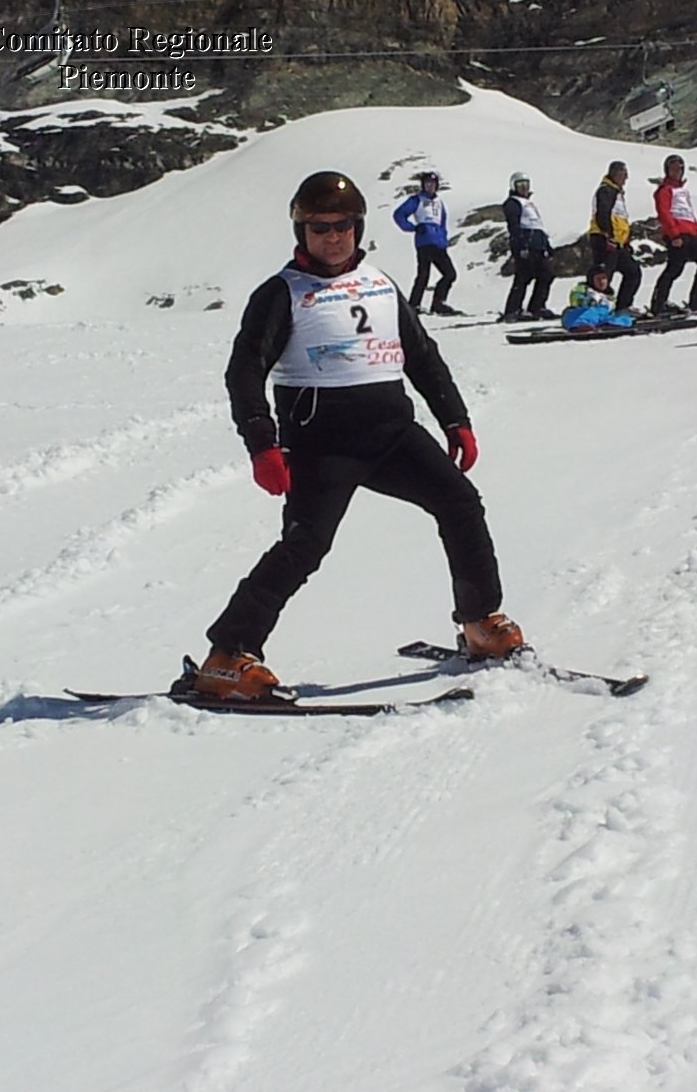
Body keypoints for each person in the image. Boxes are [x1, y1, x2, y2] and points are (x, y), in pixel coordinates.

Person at [192, 171, 523, 701]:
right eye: (319, 227)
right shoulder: (282, 293)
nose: (333, 236)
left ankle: (480, 624)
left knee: (460, 503)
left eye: (343, 225)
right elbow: (245, 371)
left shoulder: (378, 282)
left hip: (392, 434)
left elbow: (420, 354)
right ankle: (227, 656)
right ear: (301, 231)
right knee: (305, 546)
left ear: (358, 227)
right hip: (323, 445)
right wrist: (262, 444)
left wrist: (454, 419)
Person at [650, 154, 697, 314]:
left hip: (690, 234)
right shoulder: (664, 190)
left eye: (680, 169)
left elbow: (688, 213)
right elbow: (664, 213)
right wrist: (674, 235)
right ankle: (658, 303)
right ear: (667, 171)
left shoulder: (682, 190)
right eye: (673, 169)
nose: (677, 172)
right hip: (677, 235)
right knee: (675, 268)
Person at [392, 171, 457, 316]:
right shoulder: (417, 200)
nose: (430, 187)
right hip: (424, 242)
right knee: (423, 275)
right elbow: (399, 214)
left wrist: (444, 240)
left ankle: (438, 303)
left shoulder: (439, 203)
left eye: (432, 184)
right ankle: (414, 305)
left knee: (450, 274)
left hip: (438, 243)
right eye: (427, 184)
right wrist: (413, 227)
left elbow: (442, 223)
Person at [501, 172, 556, 322]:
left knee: (546, 275)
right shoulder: (513, 202)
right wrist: (521, 245)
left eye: (526, 184)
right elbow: (514, 225)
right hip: (525, 244)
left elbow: (537, 224)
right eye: (520, 184)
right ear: (514, 186)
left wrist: (546, 245)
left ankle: (537, 306)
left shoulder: (529, 203)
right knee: (523, 277)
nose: (524, 187)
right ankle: (512, 310)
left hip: (538, 244)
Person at [587, 161, 641, 313]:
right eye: (624, 174)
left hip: (618, 242)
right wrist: (608, 235)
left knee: (632, 271)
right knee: (602, 276)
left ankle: (623, 306)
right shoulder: (606, 191)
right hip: (604, 239)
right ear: (615, 174)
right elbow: (602, 214)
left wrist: (625, 241)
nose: (626, 178)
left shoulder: (616, 193)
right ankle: (593, 308)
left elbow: (620, 219)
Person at [562, 264, 634, 332]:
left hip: (599, 318)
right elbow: (575, 299)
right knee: (592, 312)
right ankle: (580, 325)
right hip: (579, 315)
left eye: (604, 278)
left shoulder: (609, 296)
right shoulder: (583, 289)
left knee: (623, 317)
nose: (601, 282)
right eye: (598, 279)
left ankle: (610, 325)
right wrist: (588, 300)